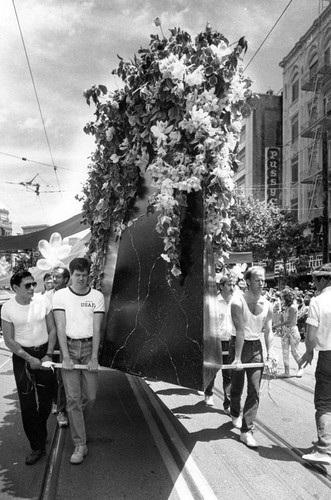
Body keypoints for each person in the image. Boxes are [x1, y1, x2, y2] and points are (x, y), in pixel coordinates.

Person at [0, 270, 56, 465]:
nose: (33, 288)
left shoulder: (43, 301)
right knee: (27, 403)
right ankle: (37, 445)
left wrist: (48, 353)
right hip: (22, 357)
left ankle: (39, 431)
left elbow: (52, 329)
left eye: (33, 284)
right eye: (27, 285)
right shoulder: (8, 308)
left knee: (47, 400)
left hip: (45, 355)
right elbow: (9, 340)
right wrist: (29, 358)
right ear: (15, 288)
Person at [53, 258, 105, 465]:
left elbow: (97, 328)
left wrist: (94, 357)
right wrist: (65, 357)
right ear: (71, 275)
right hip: (70, 349)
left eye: (84, 275)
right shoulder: (60, 296)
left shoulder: (97, 297)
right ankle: (80, 444)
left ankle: (78, 425)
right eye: (77, 275)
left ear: (88, 275)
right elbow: (60, 327)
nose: (81, 279)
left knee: (90, 397)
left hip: (89, 347)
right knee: (73, 399)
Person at [229, 266, 273, 448]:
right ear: (248, 281)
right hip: (238, 344)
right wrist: (237, 358)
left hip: (255, 347)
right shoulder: (237, 303)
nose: (262, 283)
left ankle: (247, 431)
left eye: (263, 280)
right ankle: (234, 412)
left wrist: (270, 355)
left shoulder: (268, 304)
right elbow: (239, 331)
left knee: (254, 389)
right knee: (237, 388)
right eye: (257, 280)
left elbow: (269, 331)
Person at [300, 264, 331, 465]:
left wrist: (309, 351)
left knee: (324, 403)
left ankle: (324, 448)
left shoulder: (318, 301)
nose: (314, 284)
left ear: (323, 280)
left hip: (328, 356)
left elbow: (310, 336)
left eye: (315, 280)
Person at [204, 275, 235, 414]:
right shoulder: (214, 302)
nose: (232, 287)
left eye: (233, 284)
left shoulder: (236, 302)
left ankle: (227, 404)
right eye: (229, 284)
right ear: (221, 286)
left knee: (228, 375)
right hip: (215, 341)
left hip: (230, 342)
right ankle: (209, 393)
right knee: (213, 371)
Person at [46, 265, 71, 428]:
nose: (54, 279)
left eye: (58, 277)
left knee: (63, 377)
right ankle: (55, 402)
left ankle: (62, 410)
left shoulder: (71, 296)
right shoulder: (45, 296)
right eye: (53, 276)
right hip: (48, 342)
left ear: (66, 280)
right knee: (50, 376)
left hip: (66, 342)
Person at [273, 288, 303, 378]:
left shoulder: (293, 307)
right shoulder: (286, 306)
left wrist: (277, 326)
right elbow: (283, 318)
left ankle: (301, 368)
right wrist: (281, 328)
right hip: (285, 331)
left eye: (283, 297)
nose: (282, 299)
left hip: (293, 331)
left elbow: (289, 321)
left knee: (295, 352)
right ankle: (287, 372)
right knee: (285, 352)